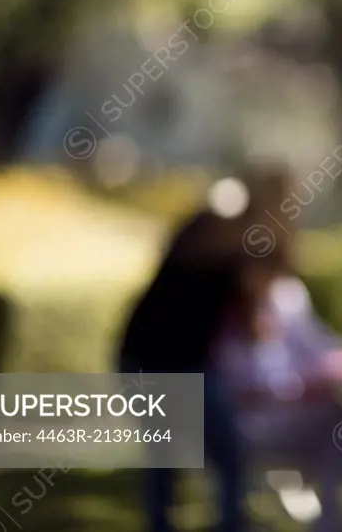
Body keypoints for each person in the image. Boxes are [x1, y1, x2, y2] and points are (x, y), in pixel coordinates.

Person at [117, 206, 284, 532]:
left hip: (149, 361)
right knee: (219, 455)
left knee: (170, 459)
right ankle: (226, 522)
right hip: (165, 364)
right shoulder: (219, 263)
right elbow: (255, 328)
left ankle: (177, 523)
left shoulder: (193, 259)